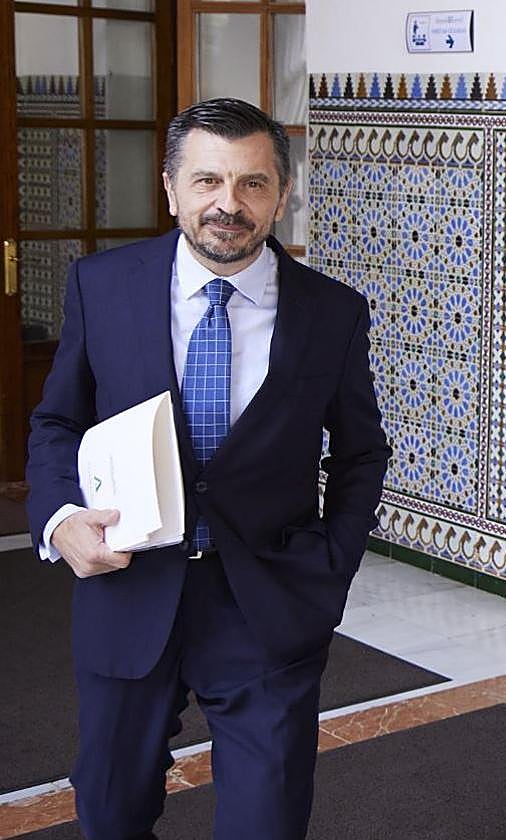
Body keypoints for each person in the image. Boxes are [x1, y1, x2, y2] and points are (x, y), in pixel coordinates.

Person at [25, 98, 390, 839]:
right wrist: (61, 520)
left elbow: (361, 453)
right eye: (207, 181)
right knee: (111, 811)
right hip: (129, 589)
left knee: (267, 821)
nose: (229, 204)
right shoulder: (102, 285)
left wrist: (332, 562)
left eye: (253, 183)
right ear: (170, 187)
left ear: (283, 193)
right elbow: (58, 423)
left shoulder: (334, 313)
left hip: (266, 602)